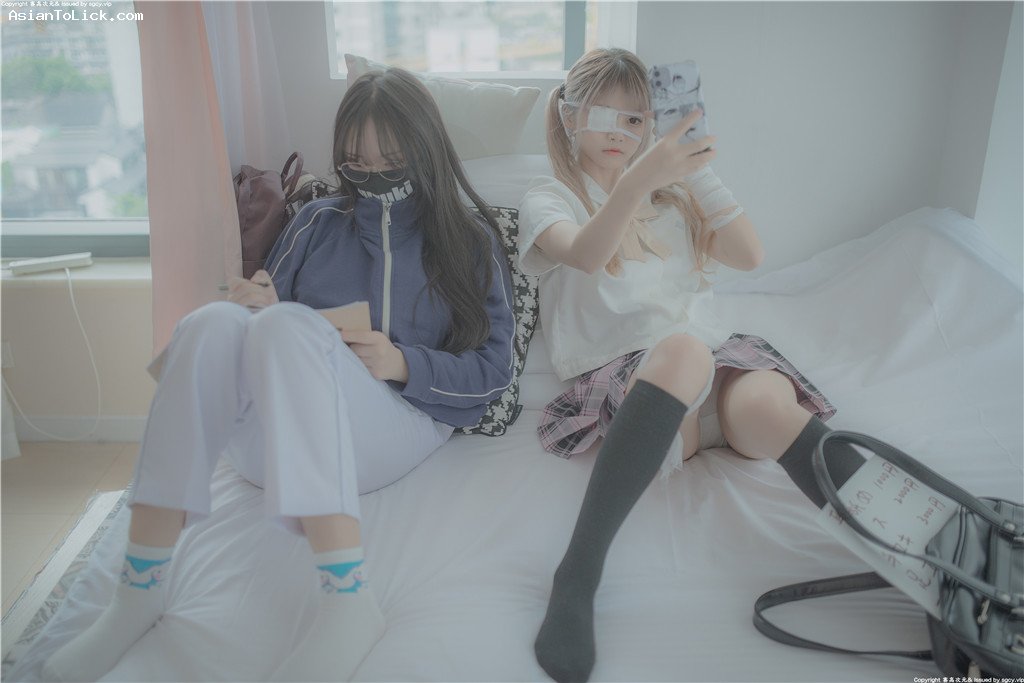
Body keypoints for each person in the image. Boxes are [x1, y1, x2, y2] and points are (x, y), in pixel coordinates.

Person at [43, 68, 515, 683]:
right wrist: (256, 305)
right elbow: (269, 318)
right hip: (279, 441)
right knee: (211, 324)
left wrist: (402, 363)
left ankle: (347, 601)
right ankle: (140, 587)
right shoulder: (317, 221)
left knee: (289, 327)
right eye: (356, 163)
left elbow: (494, 372)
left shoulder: (469, 239)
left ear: (426, 151)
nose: (373, 177)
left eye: (393, 162)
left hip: (395, 424)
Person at [518, 48, 866, 683]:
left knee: (763, 400)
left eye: (636, 120)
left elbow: (750, 255)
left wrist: (695, 168)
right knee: (682, 350)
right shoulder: (550, 198)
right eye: (604, 115)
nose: (621, 133)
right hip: (644, 393)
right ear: (568, 117)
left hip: (716, 374)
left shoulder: (674, 198)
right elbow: (586, 255)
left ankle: (906, 537)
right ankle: (578, 575)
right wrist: (636, 181)